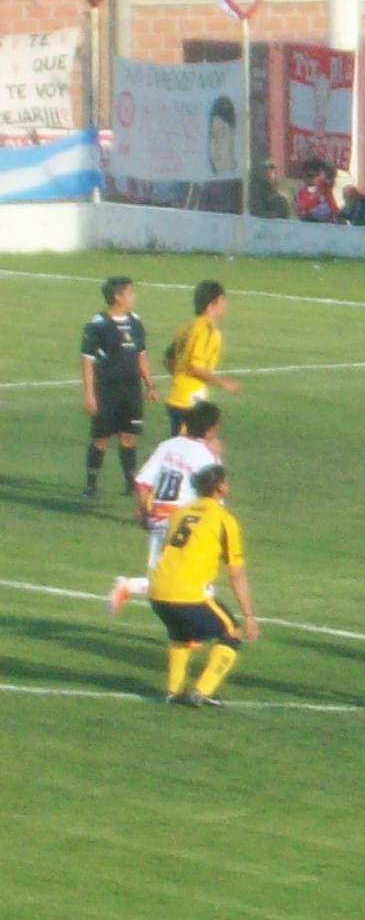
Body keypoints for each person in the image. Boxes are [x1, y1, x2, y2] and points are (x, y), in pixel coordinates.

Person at [149, 466, 256, 707]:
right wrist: (249, 615)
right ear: (220, 487)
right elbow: (236, 572)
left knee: (180, 634)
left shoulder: (180, 513)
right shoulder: (224, 519)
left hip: (157, 591)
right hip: (188, 594)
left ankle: (173, 691)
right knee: (232, 633)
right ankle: (202, 691)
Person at [108, 401, 222, 615]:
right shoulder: (207, 456)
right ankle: (130, 587)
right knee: (181, 579)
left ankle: (130, 588)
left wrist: (143, 510)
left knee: (161, 577)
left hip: (158, 517)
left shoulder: (167, 445)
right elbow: (214, 496)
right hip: (185, 522)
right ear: (210, 429)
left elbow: (142, 482)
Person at [80, 275, 153, 499]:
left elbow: (141, 355)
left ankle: (130, 483)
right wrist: (89, 394)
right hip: (106, 391)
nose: (133, 296)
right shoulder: (98, 325)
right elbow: (87, 361)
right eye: (130, 292)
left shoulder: (135, 322)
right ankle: (91, 485)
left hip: (131, 390)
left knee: (129, 436)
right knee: (101, 438)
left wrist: (150, 384)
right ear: (118, 297)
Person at [164, 279, 236, 433]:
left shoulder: (187, 327)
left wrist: (179, 379)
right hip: (190, 401)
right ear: (211, 305)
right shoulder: (207, 330)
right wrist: (223, 383)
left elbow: (168, 359)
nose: (226, 304)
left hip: (177, 396)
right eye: (222, 300)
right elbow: (196, 367)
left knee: (181, 443)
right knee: (190, 444)